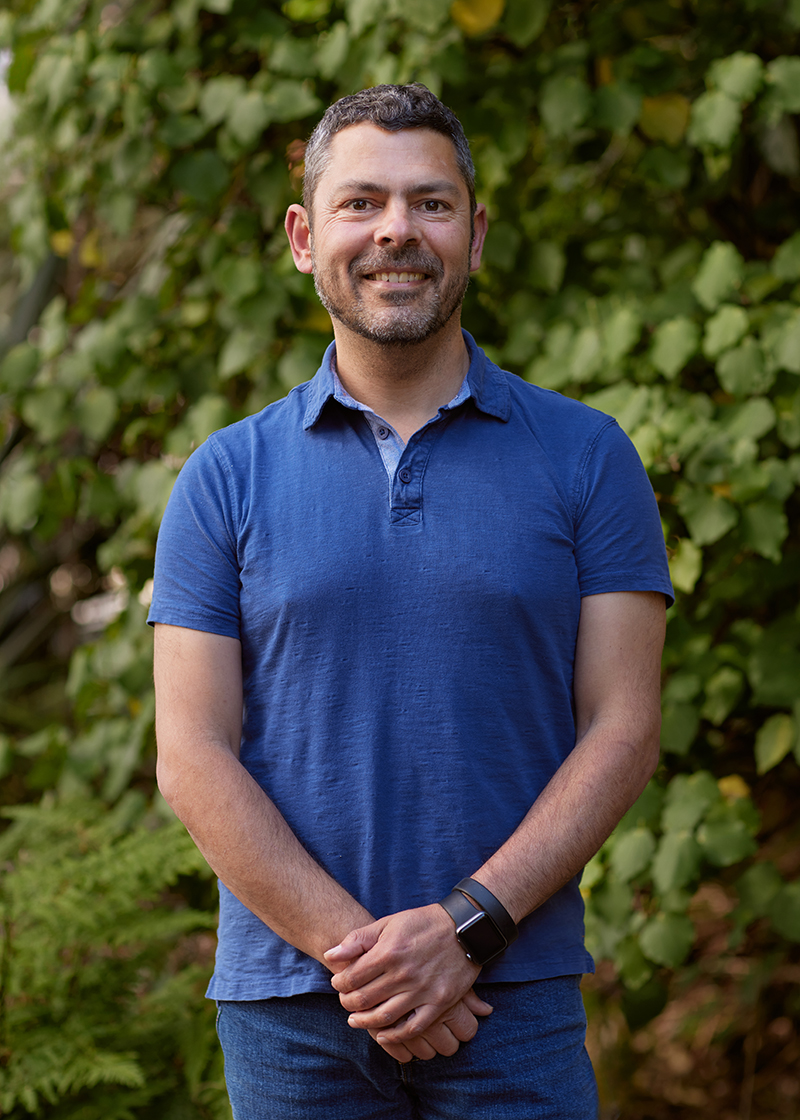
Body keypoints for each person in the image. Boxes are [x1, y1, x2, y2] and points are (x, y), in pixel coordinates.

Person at [149, 83, 673, 1119]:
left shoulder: (586, 457)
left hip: (509, 998)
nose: (397, 229)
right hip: (291, 1008)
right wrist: (375, 961)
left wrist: (466, 928)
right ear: (304, 237)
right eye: (361, 203)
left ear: (474, 235)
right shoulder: (221, 477)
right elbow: (190, 754)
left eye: (430, 203)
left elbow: (621, 726)